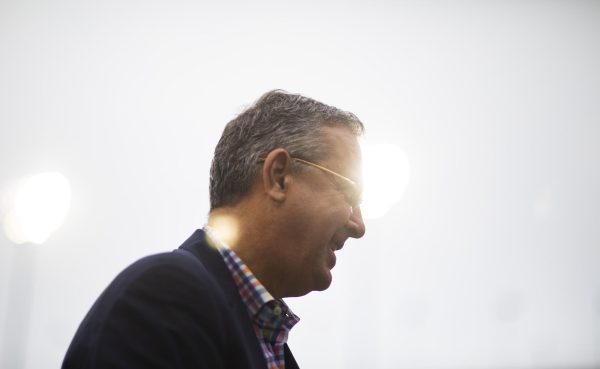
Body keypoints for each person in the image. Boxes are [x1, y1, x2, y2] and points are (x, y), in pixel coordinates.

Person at [62, 90, 366, 369]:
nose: (358, 226)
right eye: (349, 195)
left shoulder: (263, 341)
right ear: (279, 176)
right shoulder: (165, 296)